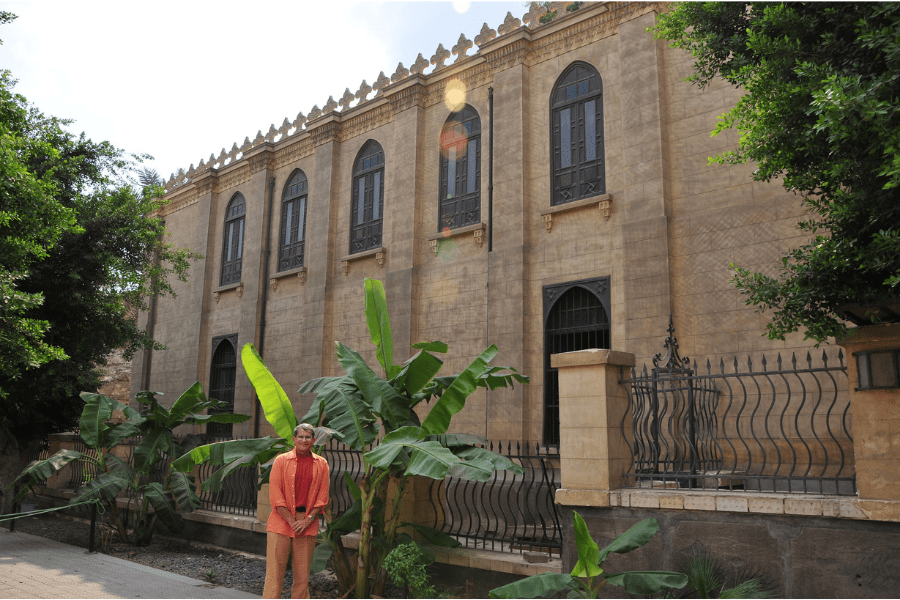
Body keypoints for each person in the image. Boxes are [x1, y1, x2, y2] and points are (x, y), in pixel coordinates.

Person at [263, 423, 329, 599]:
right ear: (294, 439)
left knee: (302, 577)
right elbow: (275, 495)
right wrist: (292, 521)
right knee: (274, 575)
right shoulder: (281, 461)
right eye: (300, 436)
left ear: (313, 440)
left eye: (308, 437)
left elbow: (322, 497)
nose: (304, 440)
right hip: (281, 521)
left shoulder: (321, 464)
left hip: (307, 523)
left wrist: (307, 520)